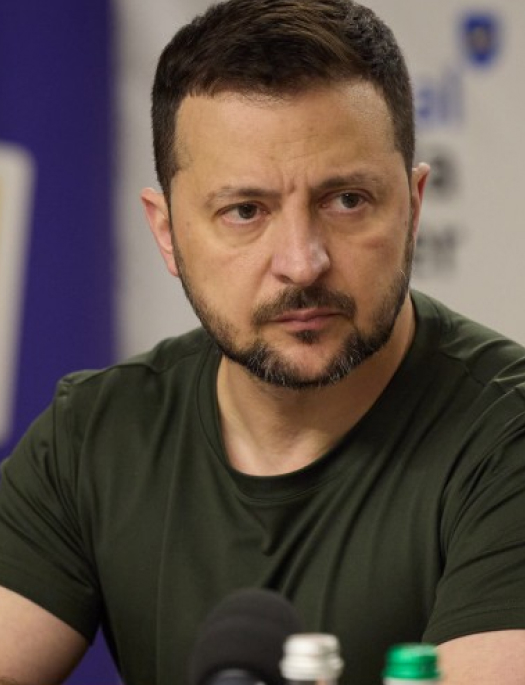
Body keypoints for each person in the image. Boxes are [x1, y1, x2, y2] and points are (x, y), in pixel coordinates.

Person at [1, 0, 525, 683]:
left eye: (347, 200)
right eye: (245, 211)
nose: (302, 263)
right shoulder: (96, 435)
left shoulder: (507, 435)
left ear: (414, 203)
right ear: (167, 232)